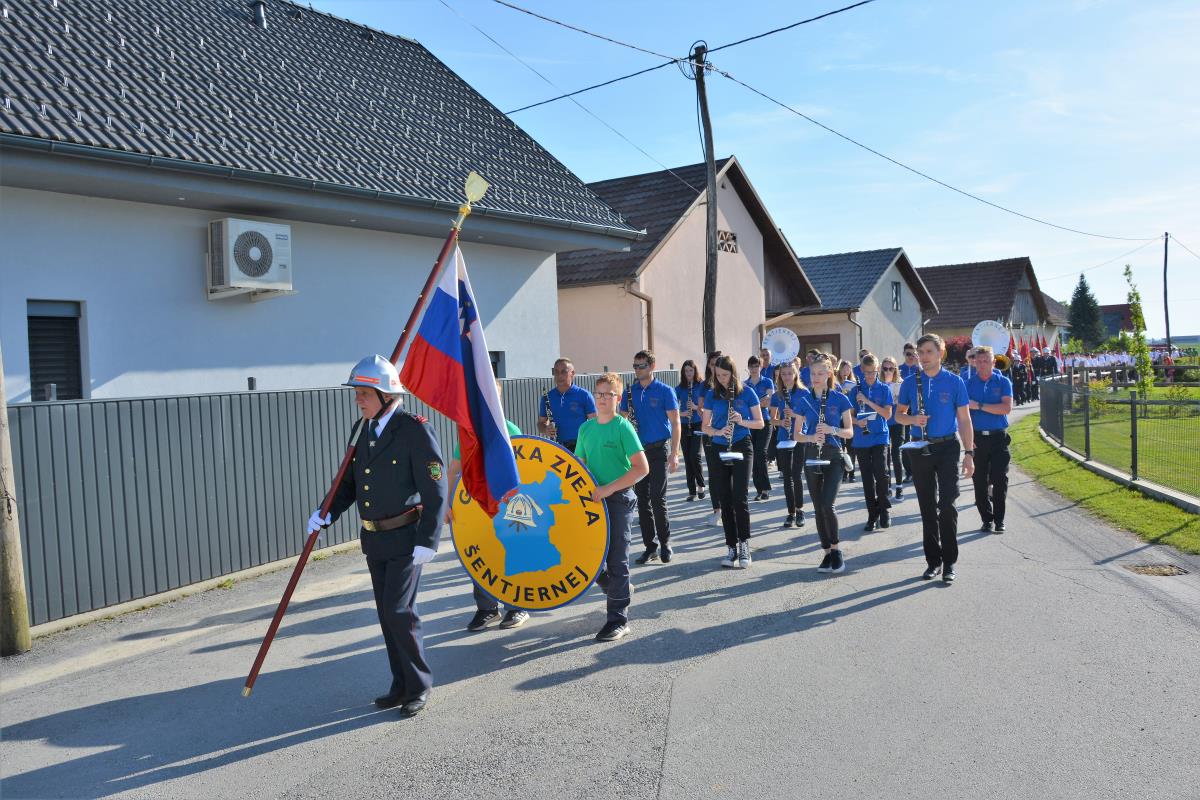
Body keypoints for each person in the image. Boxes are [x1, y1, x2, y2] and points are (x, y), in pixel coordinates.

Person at [308, 355, 446, 718]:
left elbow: (435, 488)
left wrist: (429, 538)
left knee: (400, 611)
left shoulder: (414, 430)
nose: (358, 399)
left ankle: (418, 685)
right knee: (387, 613)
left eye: (364, 393)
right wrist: (326, 512)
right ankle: (400, 684)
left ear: (386, 395)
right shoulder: (363, 429)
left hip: (406, 538)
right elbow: (348, 482)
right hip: (375, 539)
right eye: (357, 392)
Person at [446, 380, 527, 632]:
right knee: (481, 555)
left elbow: (526, 468)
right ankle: (487, 609)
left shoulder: (510, 430)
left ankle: (517, 607)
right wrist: (446, 504)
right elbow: (453, 471)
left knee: (511, 554)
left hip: (509, 506)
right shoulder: (469, 434)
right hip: (479, 505)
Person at [895, 334, 975, 584]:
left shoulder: (954, 381)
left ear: (940, 353)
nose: (923, 357)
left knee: (947, 505)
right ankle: (933, 562)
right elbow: (899, 416)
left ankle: (949, 562)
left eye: (929, 351)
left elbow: (964, 419)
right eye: (920, 352)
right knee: (927, 507)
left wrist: (969, 453)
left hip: (947, 447)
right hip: (919, 448)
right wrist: (912, 419)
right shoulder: (910, 382)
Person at [575, 373, 649, 641]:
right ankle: (616, 586)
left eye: (608, 394)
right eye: (599, 394)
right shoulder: (585, 429)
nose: (602, 399)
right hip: (592, 500)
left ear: (617, 398)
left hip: (619, 500)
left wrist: (609, 488)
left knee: (617, 560)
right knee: (587, 556)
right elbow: (579, 466)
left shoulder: (622, 427)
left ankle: (618, 620)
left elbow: (641, 468)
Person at [702, 354, 765, 569]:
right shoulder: (712, 394)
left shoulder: (747, 392)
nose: (722, 379)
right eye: (718, 375)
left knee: (740, 497)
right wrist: (718, 431)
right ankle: (731, 547)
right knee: (725, 499)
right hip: (719, 446)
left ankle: (744, 544)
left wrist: (741, 420)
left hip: (741, 444)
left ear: (733, 373)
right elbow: (705, 426)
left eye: (725, 375)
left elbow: (760, 423)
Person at [620, 350, 680, 564]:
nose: (637, 370)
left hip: (659, 449)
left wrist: (674, 453)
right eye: (635, 366)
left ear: (652, 366)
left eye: (641, 366)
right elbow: (622, 421)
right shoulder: (630, 392)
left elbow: (675, 423)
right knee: (642, 500)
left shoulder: (664, 390)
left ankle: (665, 543)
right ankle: (650, 547)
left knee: (657, 498)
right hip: (638, 452)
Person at [800, 355, 855, 574]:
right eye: (813, 373)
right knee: (817, 507)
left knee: (827, 504)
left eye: (821, 373)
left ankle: (836, 549)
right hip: (812, 453)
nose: (816, 377)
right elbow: (796, 434)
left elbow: (849, 432)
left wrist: (833, 430)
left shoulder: (840, 398)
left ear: (829, 374)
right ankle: (826, 552)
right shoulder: (804, 399)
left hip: (834, 455)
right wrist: (811, 436)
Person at [965, 346, 1013, 533]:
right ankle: (986, 519)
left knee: (1000, 480)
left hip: (998, 437)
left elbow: (1005, 408)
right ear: (974, 363)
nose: (982, 364)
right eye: (979, 361)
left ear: (993, 362)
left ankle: (999, 520)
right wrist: (968, 440)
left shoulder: (1003, 382)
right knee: (979, 482)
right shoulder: (968, 384)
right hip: (977, 438)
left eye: (986, 361)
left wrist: (979, 405)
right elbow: (964, 415)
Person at [848, 354, 894, 531]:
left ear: (878, 370)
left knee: (881, 475)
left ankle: (884, 510)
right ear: (861, 371)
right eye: (866, 372)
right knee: (867, 480)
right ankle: (871, 514)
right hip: (861, 439)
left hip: (880, 436)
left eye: (873, 372)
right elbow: (849, 417)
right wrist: (857, 422)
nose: (869, 376)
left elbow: (887, 415)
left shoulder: (884, 389)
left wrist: (867, 401)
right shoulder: (855, 391)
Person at [769, 357, 808, 528]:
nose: (786, 377)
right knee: (787, 477)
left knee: (796, 475)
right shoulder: (777, 395)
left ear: (795, 374)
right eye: (783, 374)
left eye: (789, 373)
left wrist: (794, 415)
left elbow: (810, 417)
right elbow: (772, 419)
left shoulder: (804, 393)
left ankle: (800, 510)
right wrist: (781, 422)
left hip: (799, 437)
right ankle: (790, 512)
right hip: (783, 438)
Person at [538, 357, 596, 451]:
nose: (559, 375)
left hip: (581, 448)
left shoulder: (584, 395)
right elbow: (540, 424)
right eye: (556, 372)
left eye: (563, 372)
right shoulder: (547, 397)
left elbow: (594, 424)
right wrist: (546, 429)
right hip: (557, 448)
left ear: (572, 373)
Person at [675, 360, 707, 502]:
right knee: (687, 458)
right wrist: (682, 413)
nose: (688, 373)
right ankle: (692, 491)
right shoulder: (679, 388)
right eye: (686, 371)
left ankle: (701, 485)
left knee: (695, 455)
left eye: (691, 370)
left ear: (695, 371)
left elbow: (708, 406)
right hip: (684, 424)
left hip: (698, 423)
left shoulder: (701, 386)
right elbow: (671, 407)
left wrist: (695, 407)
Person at [700, 350, 725, 526]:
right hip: (711, 433)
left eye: (718, 364)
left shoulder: (731, 385)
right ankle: (717, 510)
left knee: (729, 473)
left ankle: (730, 507)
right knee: (714, 472)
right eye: (712, 364)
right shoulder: (705, 386)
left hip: (728, 434)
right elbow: (700, 408)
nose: (715, 367)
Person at [746, 354, 774, 501]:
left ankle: (765, 488)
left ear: (761, 366)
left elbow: (768, 402)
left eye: (756, 366)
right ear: (748, 368)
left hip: (765, 422)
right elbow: (747, 404)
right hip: (750, 423)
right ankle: (759, 490)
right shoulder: (745, 384)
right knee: (753, 455)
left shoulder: (767, 381)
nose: (754, 369)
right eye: (751, 366)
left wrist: (756, 403)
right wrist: (759, 402)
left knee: (761, 453)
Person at [881, 355, 909, 499]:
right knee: (885, 456)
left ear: (895, 369)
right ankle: (887, 486)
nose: (888, 371)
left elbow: (905, 404)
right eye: (885, 368)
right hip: (884, 422)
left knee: (896, 454)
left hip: (897, 422)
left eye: (891, 368)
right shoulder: (879, 384)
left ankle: (899, 487)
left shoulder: (901, 383)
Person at [836, 359, 858, 482]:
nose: (846, 371)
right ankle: (843, 472)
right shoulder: (835, 384)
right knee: (841, 446)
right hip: (838, 417)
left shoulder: (853, 384)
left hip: (850, 416)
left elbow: (856, 402)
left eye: (848, 369)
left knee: (851, 446)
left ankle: (851, 472)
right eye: (843, 369)